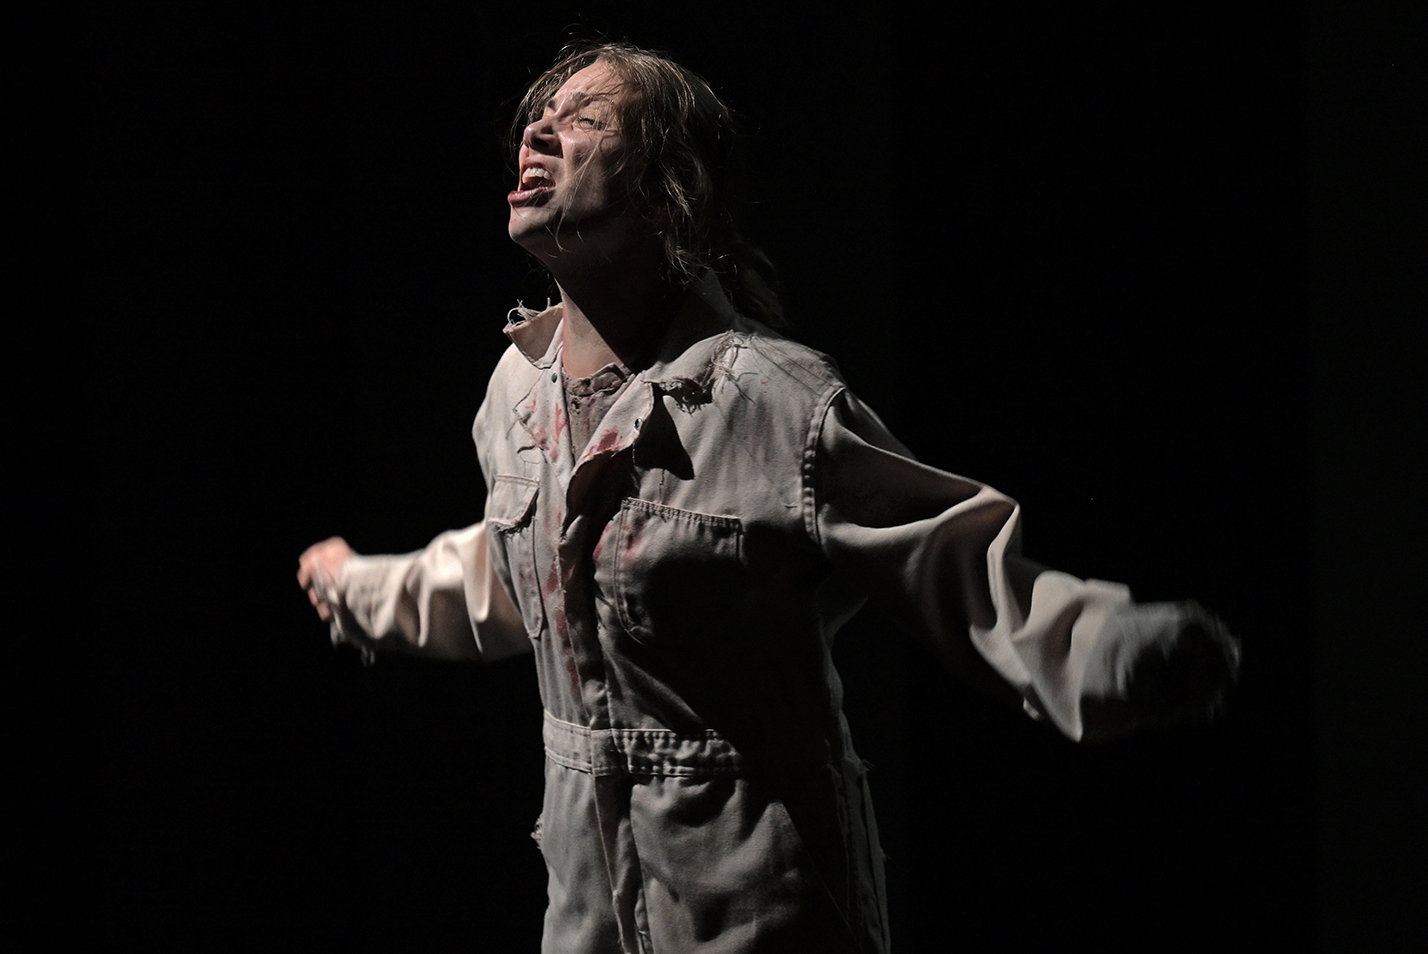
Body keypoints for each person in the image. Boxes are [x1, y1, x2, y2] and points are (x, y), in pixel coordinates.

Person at [298, 41, 1240, 954]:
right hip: (588, 909)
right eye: (537, 117)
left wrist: (1114, 649)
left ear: (666, 188)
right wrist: (355, 586)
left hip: (758, 904)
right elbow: (511, 574)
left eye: (583, 119)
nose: (537, 133)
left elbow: (951, 563)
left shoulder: (770, 402)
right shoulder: (514, 396)